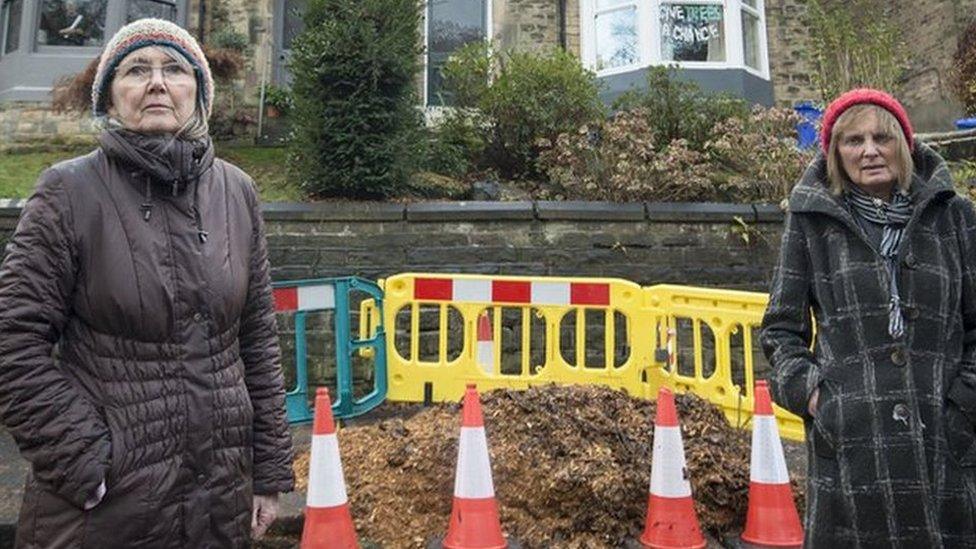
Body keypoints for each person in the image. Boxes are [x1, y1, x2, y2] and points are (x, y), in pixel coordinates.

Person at [0, 18, 294, 547]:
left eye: (175, 69)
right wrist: (85, 461)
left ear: (198, 95)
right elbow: (12, 342)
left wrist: (268, 471)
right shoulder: (69, 192)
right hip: (106, 509)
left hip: (218, 501)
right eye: (136, 69)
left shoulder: (237, 192)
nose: (157, 82)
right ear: (111, 98)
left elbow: (257, 338)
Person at [761, 87, 976, 547]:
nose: (870, 151)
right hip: (853, 449)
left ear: (906, 143)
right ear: (836, 154)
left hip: (947, 445)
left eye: (883, 138)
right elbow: (782, 328)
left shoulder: (955, 218)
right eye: (853, 141)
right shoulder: (811, 223)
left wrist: (963, 405)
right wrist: (818, 397)